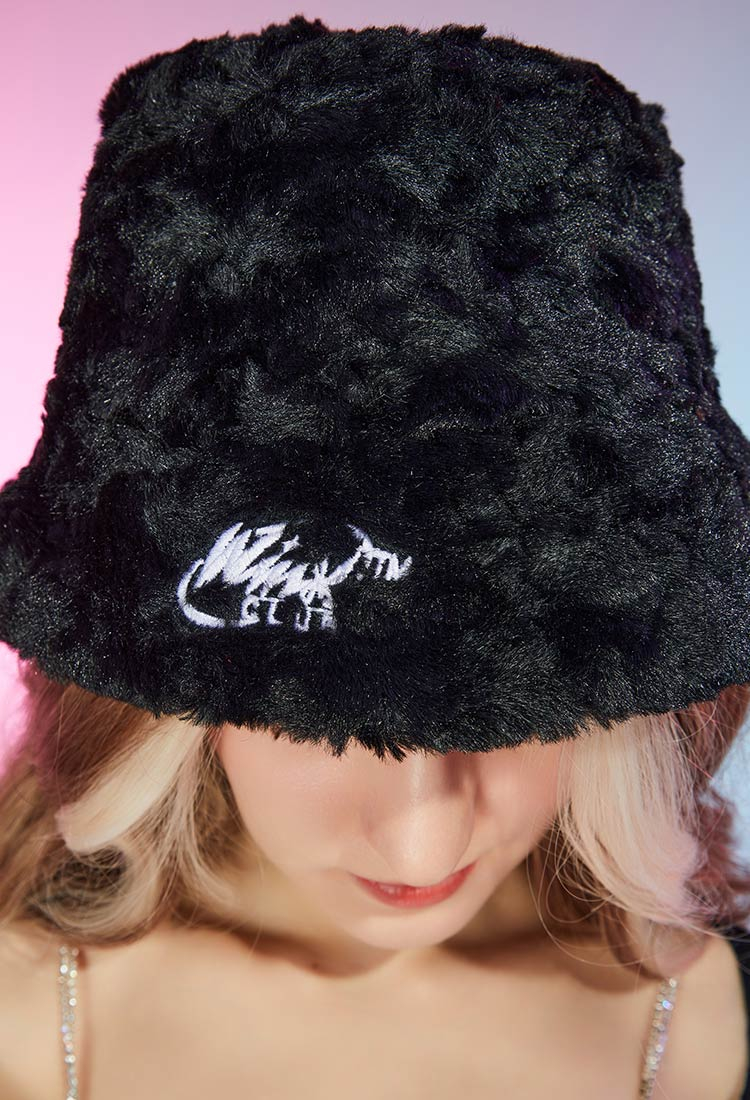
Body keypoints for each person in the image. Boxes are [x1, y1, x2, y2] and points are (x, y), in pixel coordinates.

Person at [0, 14, 748, 1100]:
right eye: (324, 713)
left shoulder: (716, 1020)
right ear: (162, 707)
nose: (422, 836)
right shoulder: (22, 1020)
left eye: (509, 710)